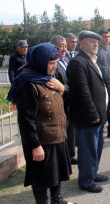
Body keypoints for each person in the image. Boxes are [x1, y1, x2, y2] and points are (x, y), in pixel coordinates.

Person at [7, 43, 73, 204]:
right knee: (41, 178)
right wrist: (35, 145)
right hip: (41, 142)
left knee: (55, 174)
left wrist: (62, 88)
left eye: (56, 63)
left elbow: (64, 98)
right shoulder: (28, 84)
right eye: (51, 64)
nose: (54, 67)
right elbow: (26, 120)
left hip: (57, 137)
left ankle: (57, 200)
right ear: (40, 62)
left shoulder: (48, 77)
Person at [66, 30, 108, 193]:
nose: (96, 44)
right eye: (91, 41)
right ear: (81, 43)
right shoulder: (78, 62)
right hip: (88, 117)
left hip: (98, 116)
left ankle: (92, 173)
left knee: (96, 148)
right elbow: (82, 92)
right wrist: (92, 115)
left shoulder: (91, 60)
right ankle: (86, 180)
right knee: (87, 150)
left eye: (96, 42)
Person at [50, 35, 77, 165]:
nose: (64, 49)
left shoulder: (65, 61)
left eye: (65, 46)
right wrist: (65, 88)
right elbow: (55, 85)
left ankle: (70, 155)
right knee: (63, 132)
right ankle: (63, 159)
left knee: (71, 130)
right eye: (61, 46)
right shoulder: (53, 65)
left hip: (70, 102)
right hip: (61, 103)